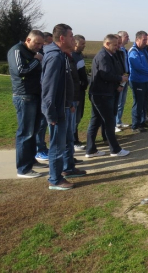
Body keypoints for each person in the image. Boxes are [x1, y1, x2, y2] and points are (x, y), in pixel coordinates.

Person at [42, 23, 86, 191]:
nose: (73, 39)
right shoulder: (55, 57)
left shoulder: (63, 55)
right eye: (70, 36)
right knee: (57, 146)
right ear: (62, 38)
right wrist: (51, 114)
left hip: (66, 107)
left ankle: (68, 169)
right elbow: (48, 88)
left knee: (67, 141)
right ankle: (55, 179)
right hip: (57, 110)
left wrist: (69, 104)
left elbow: (65, 83)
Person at [8, 30, 46, 178]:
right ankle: (23, 169)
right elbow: (20, 71)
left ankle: (31, 161)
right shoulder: (17, 50)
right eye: (37, 43)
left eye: (41, 44)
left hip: (35, 94)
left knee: (33, 131)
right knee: (25, 133)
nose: (39, 46)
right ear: (27, 40)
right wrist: (37, 60)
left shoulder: (32, 52)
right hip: (24, 96)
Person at [85, 34, 130, 158]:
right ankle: (115, 149)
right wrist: (120, 78)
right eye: (115, 45)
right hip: (102, 94)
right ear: (107, 44)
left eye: (117, 44)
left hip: (101, 93)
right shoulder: (103, 56)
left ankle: (91, 150)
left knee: (96, 121)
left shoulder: (109, 55)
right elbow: (105, 74)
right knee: (109, 121)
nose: (117, 47)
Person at [128, 31, 148, 132]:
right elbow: (138, 66)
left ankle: (142, 121)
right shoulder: (133, 51)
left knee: (145, 102)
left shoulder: (144, 50)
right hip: (138, 81)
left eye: (146, 39)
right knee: (138, 103)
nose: (146, 42)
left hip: (147, 80)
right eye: (144, 40)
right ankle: (135, 125)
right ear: (137, 39)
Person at [35, 32, 54, 162]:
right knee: (41, 124)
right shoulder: (39, 56)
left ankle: (42, 147)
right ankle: (39, 150)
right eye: (47, 43)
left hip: (43, 93)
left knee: (43, 123)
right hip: (39, 93)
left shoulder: (45, 55)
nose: (47, 46)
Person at [72, 35, 88, 151]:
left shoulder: (79, 55)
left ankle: (75, 140)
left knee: (78, 117)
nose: (84, 46)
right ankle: (73, 141)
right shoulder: (72, 56)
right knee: (74, 118)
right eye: (82, 44)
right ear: (75, 44)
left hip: (81, 91)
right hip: (75, 92)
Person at [116, 31, 130, 130]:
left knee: (122, 101)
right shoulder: (117, 50)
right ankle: (115, 124)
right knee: (117, 101)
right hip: (120, 78)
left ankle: (119, 121)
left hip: (126, 76)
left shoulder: (124, 50)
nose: (128, 38)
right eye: (126, 36)